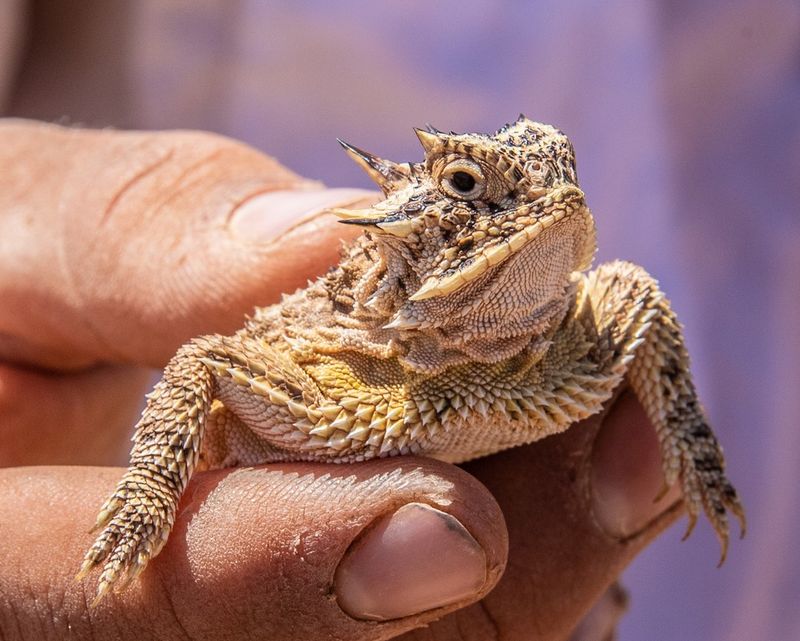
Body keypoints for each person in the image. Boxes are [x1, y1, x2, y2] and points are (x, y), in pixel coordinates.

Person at [0, 121, 681, 640]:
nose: (557, 200)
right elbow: (204, 365)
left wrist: (688, 445)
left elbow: (634, 303)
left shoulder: (565, 342)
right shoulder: (332, 365)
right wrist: (149, 488)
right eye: (469, 186)